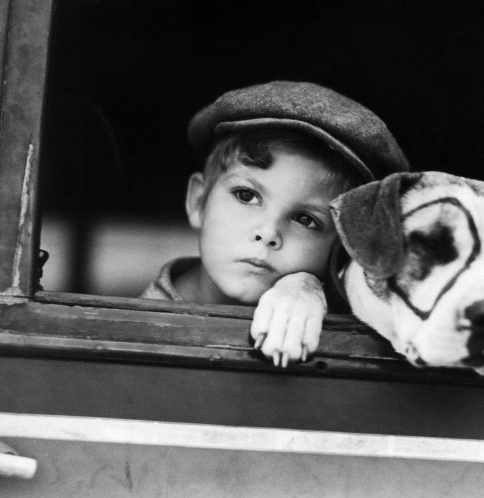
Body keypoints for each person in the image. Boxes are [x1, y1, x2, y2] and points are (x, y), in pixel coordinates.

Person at [141, 81, 408, 366]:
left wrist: (304, 289)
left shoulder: (354, 330)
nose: (268, 233)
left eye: (305, 219)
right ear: (198, 202)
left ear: (341, 251)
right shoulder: (137, 327)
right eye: (246, 196)